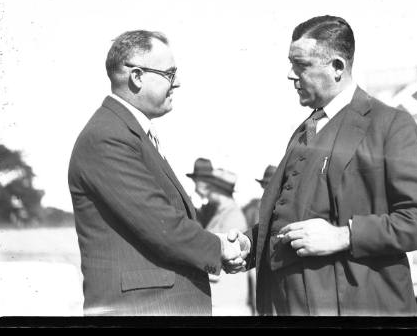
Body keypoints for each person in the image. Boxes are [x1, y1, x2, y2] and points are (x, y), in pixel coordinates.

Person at [227, 15, 417, 315]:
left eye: (301, 65)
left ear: (338, 67)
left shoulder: (390, 125)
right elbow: (291, 213)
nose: (291, 75)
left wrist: (344, 235)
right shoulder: (305, 130)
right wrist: (250, 245)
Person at [68, 30, 243, 316]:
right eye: (170, 73)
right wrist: (220, 249)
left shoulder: (128, 133)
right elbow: (160, 224)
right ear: (137, 77)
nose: (177, 83)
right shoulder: (108, 137)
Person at [186, 158, 251, 315]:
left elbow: (227, 257)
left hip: (228, 300)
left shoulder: (232, 216)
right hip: (222, 297)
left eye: (211, 187)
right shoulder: (220, 213)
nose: (207, 191)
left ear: (218, 190)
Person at [242, 165, 276, 314]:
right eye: (265, 185)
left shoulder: (281, 207)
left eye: (271, 185)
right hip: (256, 258)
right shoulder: (254, 208)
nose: (267, 189)